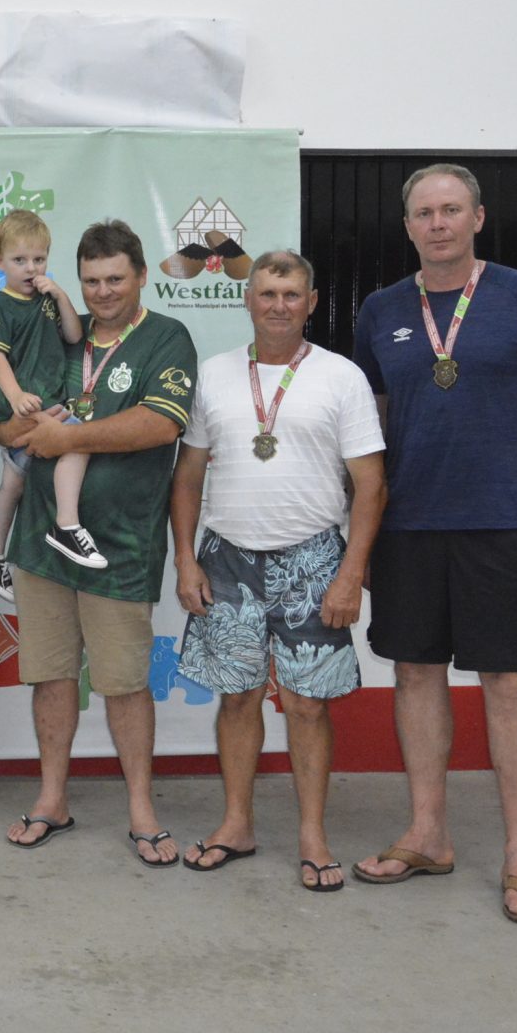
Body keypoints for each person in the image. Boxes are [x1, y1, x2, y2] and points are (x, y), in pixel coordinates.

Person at [350, 164, 517, 925]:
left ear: (478, 217)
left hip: (504, 525)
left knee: (511, 687)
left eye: (452, 209)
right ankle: (429, 833)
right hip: (408, 527)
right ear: (408, 226)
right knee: (415, 675)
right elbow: (367, 434)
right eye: (424, 213)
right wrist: (359, 535)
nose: (439, 223)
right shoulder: (380, 309)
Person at [169, 251, 387, 892]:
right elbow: (187, 477)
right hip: (227, 558)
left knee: (306, 706)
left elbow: (371, 486)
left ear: (312, 302)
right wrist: (185, 559)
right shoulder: (213, 375)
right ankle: (236, 824)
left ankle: (313, 836)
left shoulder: (342, 377)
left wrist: (350, 573)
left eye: (292, 294)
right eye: (267, 293)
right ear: (248, 299)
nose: (279, 305)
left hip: (313, 559)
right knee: (237, 697)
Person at [0, 219, 198, 867]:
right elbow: (5, 419)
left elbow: (159, 423)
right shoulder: (59, 329)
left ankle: (142, 810)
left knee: (124, 683)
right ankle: (52, 798)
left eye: (115, 279)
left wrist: (69, 437)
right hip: (40, 541)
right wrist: (26, 426)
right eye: (91, 280)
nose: (103, 291)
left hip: (120, 545)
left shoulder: (166, 337)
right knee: (51, 676)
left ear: (141, 276)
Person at [0, 208, 89, 600]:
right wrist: (16, 397)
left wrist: (60, 295)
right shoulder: (0, 306)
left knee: (13, 484)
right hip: (21, 407)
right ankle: (67, 523)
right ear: (0, 262)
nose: (30, 268)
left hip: (47, 401)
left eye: (38, 259)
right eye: (19, 260)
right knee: (77, 441)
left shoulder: (47, 299)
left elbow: (73, 336)